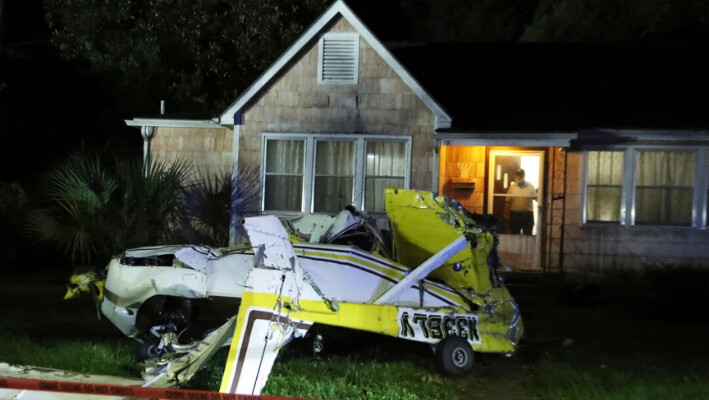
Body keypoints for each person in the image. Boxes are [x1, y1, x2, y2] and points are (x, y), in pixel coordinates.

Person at [504, 169, 536, 235]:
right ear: (515, 176)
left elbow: (537, 198)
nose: (519, 178)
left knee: (528, 237)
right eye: (517, 176)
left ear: (524, 176)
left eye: (520, 176)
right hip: (515, 216)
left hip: (527, 216)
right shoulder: (512, 187)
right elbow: (507, 201)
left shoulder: (530, 187)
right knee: (514, 236)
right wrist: (506, 213)